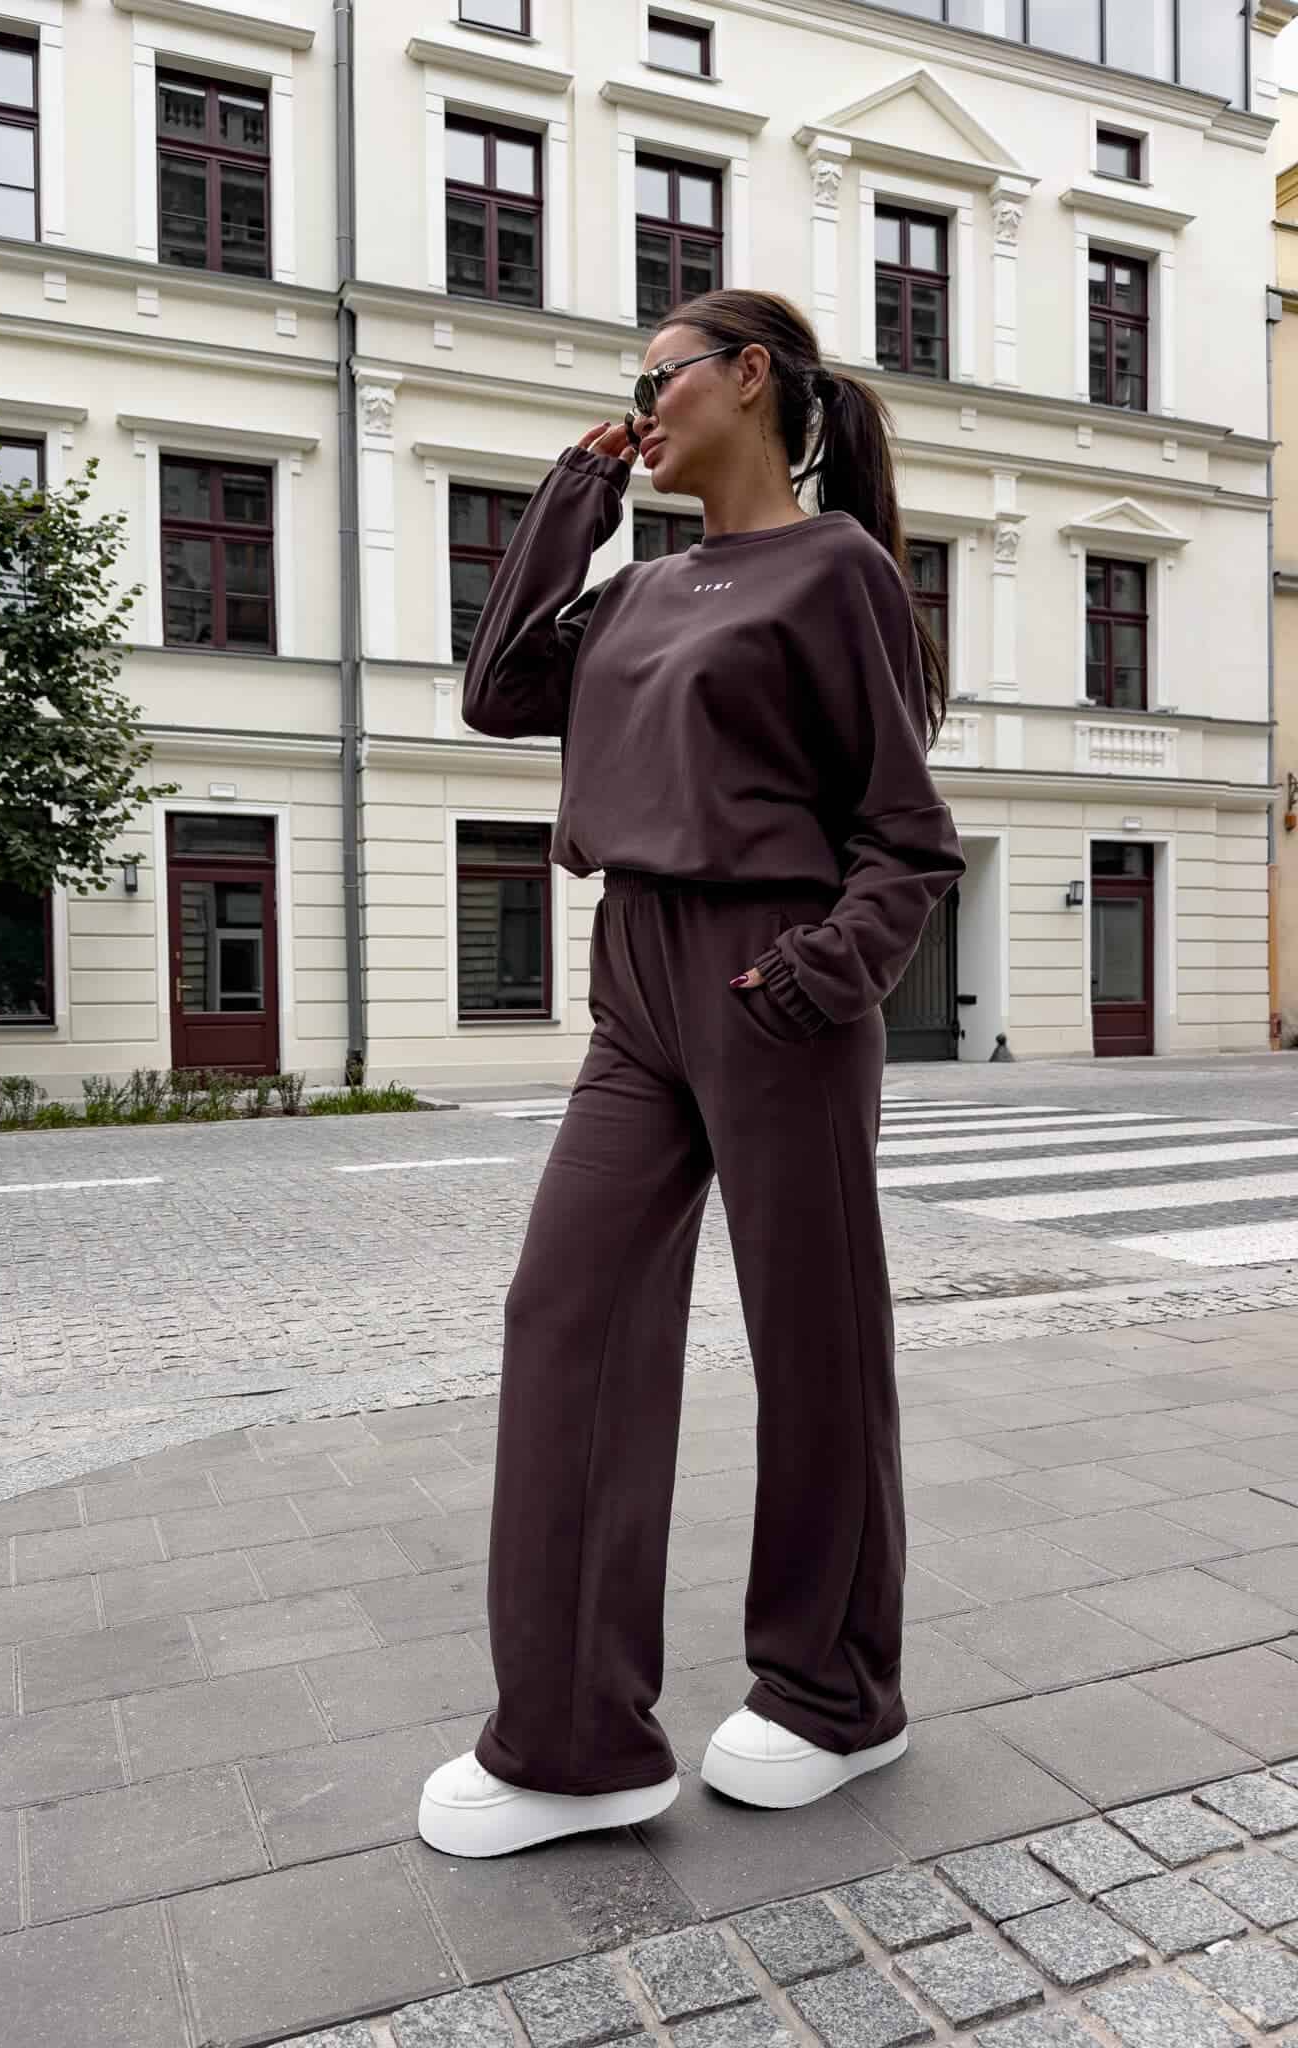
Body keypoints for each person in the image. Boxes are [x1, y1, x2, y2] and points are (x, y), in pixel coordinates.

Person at [417, 287, 965, 1859]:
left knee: (815, 1344)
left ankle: (836, 1695)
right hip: (634, 986)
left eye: (658, 377)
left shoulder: (838, 571)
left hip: (771, 978)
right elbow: (498, 691)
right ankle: (576, 1739)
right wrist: (573, 498)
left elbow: (907, 834)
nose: (641, 403)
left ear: (750, 376)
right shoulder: (641, 590)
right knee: (566, 1318)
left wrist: (819, 973)